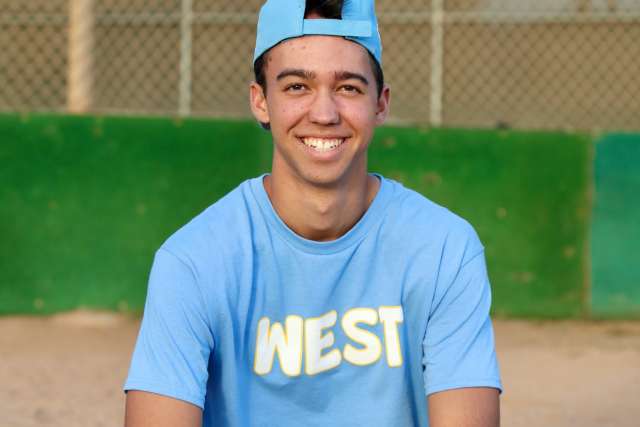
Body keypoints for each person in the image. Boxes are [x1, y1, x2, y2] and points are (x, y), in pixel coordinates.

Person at [123, 0, 502, 425]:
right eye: (297, 87)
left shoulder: (444, 249)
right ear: (261, 101)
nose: (324, 114)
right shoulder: (192, 263)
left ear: (380, 103)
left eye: (348, 88)